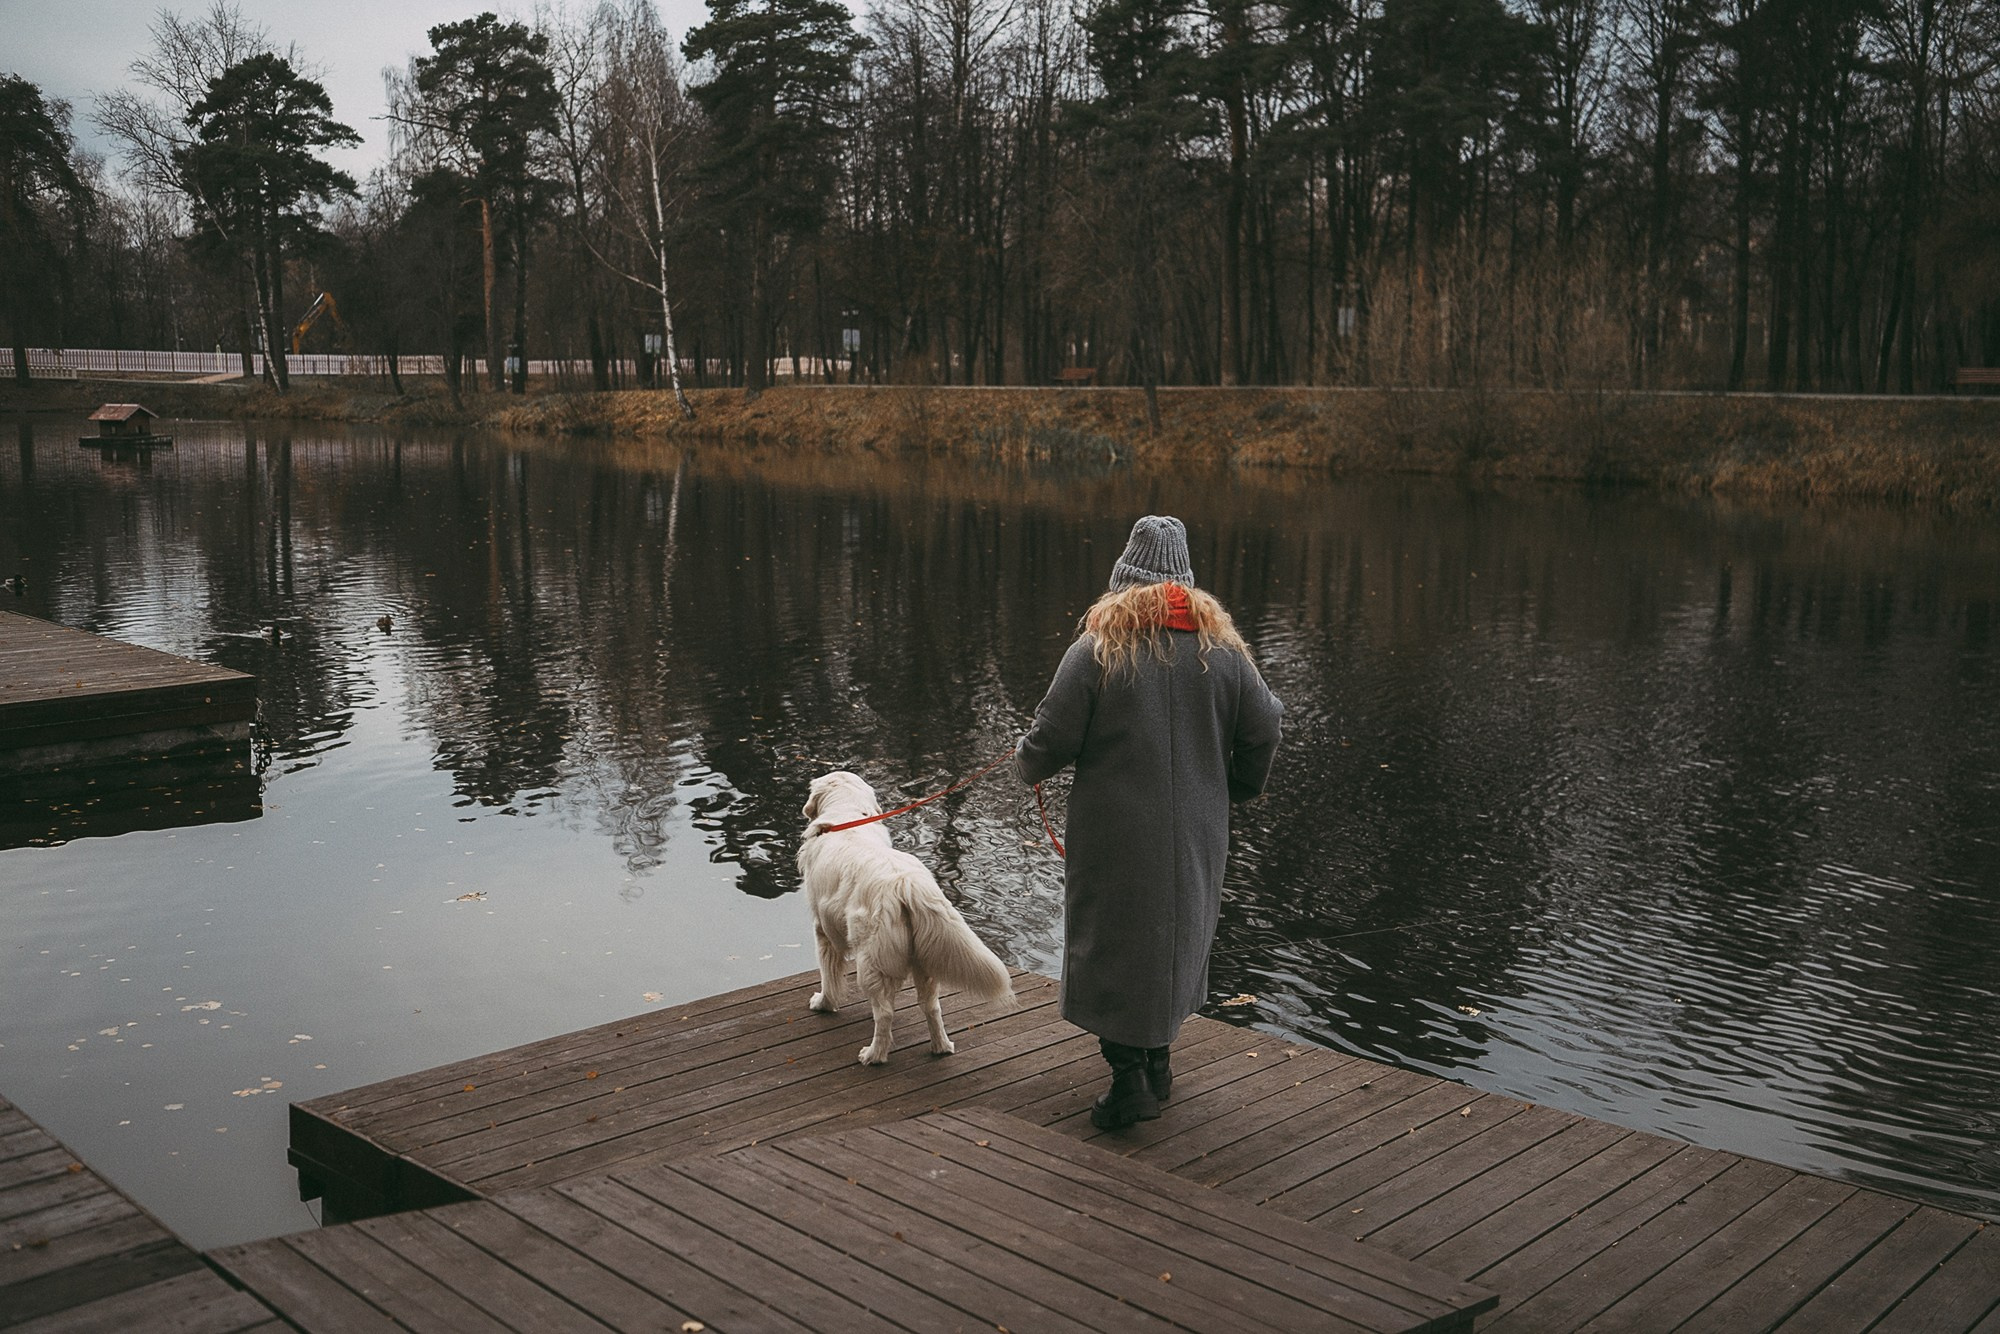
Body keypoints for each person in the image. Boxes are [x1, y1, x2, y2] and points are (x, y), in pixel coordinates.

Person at [1016, 515, 1284, 1129]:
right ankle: (1158, 1064)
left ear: (1124, 583)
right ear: (1187, 586)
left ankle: (1129, 1079)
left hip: (1115, 834)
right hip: (1197, 830)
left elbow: (1050, 736)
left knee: (1113, 942)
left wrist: (1026, 765)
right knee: (1175, 936)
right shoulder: (1224, 652)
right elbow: (1267, 726)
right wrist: (1240, 785)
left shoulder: (1098, 648)